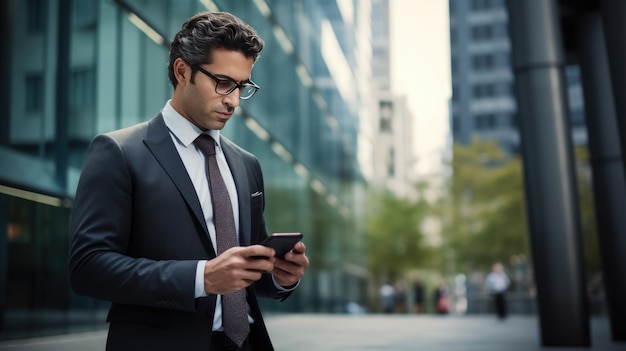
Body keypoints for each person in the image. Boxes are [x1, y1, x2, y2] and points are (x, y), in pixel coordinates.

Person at [68, 11, 309, 351]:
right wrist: (201, 277)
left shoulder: (246, 164)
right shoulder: (119, 152)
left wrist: (281, 276)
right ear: (183, 71)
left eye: (242, 86)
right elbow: (88, 267)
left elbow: (248, 268)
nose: (233, 100)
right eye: (223, 83)